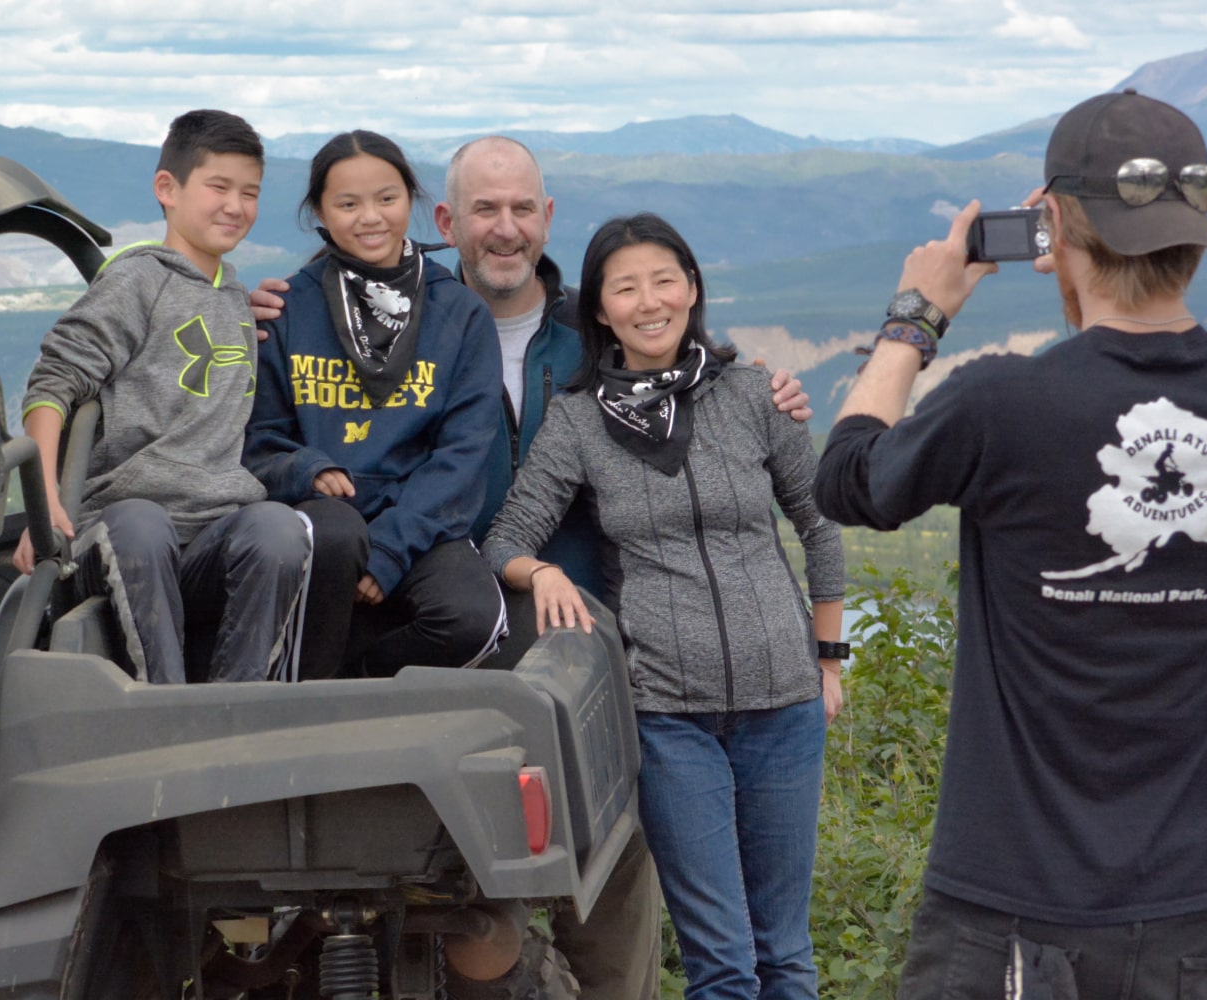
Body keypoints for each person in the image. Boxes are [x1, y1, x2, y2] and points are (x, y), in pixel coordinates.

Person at [251, 135, 812, 997]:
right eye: (483, 210)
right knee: (458, 877)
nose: (505, 229)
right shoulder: (405, 317)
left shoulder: (601, 327)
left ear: (547, 218)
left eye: (522, 210)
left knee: (615, 865)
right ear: (446, 221)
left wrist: (773, 395)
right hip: (446, 633)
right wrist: (274, 316)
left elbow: (703, 386)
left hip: (597, 637)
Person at [815, 90, 1207, 995]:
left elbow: (844, 478)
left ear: (1052, 223)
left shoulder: (1002, 403)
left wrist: (915, 313)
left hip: (1009, 920)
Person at [483, 212, 844, 1000]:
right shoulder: (579, 420)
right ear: (600, 310)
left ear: (691, 289)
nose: (649, 301)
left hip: (785, 706)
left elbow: (819, 524)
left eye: (664, 280)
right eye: (625, 287)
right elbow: (504, 537)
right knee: (723, 965)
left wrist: (829, 657)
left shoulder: (752, 394)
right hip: (671, 719)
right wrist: (538, 573)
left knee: (786, 953)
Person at [15, 108, 308, 685]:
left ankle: (238, 710)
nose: (235, 206)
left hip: (210, 532)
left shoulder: (233, 299)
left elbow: (204, 315)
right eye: (218, 187)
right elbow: (54, 382)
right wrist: (42, 498)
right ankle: (164, 712)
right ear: (167, 189)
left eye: (250, 193)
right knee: (143, 527)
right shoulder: (137, 280)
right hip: (120, 531)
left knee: (278, 528)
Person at [243, 129, 508, 680]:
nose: (371, 217)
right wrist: (306, 469)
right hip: (323, 519)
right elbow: (259, 440)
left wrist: (391, 546)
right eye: (347, 203)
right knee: (334, 536)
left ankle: (357, 678)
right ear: (320, 209)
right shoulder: (287, 309)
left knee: (472, 622)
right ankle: (300, 708)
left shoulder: (458, 313)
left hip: (417, 519)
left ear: (409, 200)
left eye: (387, 198)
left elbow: (462, 454)